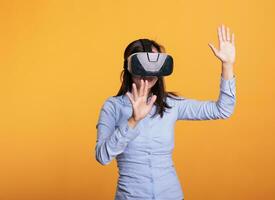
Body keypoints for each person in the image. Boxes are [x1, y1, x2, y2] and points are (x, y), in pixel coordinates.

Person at [95, 24, 236, 200]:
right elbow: (102, 156)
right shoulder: (112, 107)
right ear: (130, 68)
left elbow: (222, 110)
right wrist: (132, 121)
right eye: (143, 65)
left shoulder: (171, 105)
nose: (148, 72)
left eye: (155, 64)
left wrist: (227, 65)